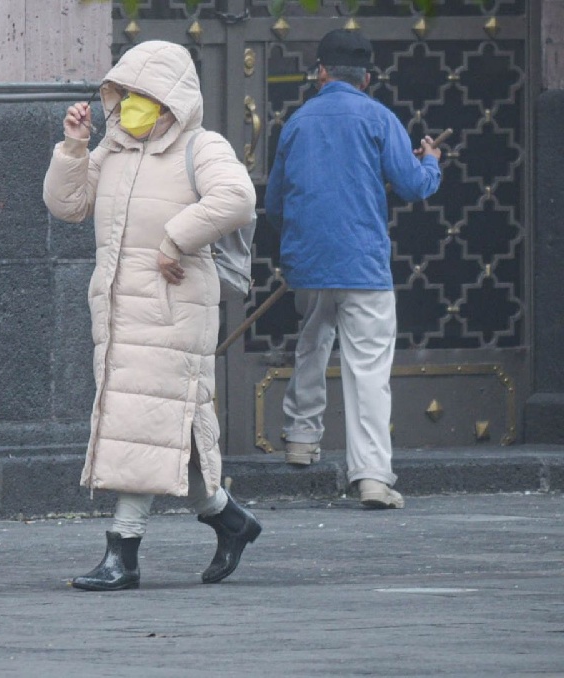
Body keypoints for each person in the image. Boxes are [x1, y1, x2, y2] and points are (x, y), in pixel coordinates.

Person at [43, 41, 262, 591]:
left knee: (137, 426)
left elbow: (237, 197)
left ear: (171, 101)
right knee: (159, 432)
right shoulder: (112, 149)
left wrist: (174, 238)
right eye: (126, 95)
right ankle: (229, 518)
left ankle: (123, 554)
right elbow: (68, 206)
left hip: (172, 310)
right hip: (118, 314)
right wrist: (73, 147)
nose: (131, 107)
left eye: (144, 96)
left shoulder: (201, 147)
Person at [264, 29, 443, 509]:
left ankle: (301, 439)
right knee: (367, 371)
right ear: (366, 77)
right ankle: (371, 478)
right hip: (363, 265)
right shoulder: (379, 118)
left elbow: (274, 201)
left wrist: (301, 244)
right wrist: (432, 162)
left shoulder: (297, 122)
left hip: (309, 262)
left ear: (320, 72)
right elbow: (412, 186)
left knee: (312, 343)